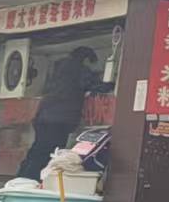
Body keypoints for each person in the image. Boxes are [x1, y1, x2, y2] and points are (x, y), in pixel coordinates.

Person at [19, 47, 110, 180]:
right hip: (59, 120)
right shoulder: (79, 69)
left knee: (37, 150)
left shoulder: (58, 68)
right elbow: (96, 86)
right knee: (50, 152)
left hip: (43, 116)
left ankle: (22, 179)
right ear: (85, 58)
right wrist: (113, 83)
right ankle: (36, 179)